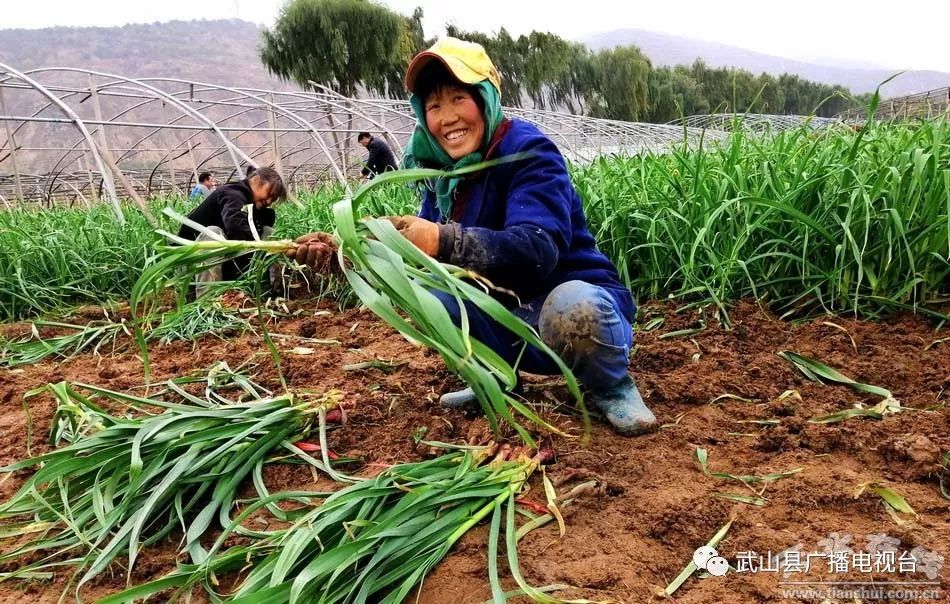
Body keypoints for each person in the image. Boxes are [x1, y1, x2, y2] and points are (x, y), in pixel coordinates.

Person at [288, 38, 656, 436]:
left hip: (566, 308)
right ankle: (495, 375)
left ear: (485, 98)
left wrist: (443, 241)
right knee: (430, 294)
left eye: (458, 98)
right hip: (505, 314)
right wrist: (349, 252)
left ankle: (609, 384)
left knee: (574, 305)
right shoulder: (442, 174)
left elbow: (538, 247)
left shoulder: (529, 152)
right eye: (433, 106)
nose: (446, 118)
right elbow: (416, 258)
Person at [178, 166, 287, 295]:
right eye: (270, 194)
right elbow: (235, 223)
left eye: (273, 199)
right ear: (256, 180)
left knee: (269, 233)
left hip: (223, 264)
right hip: (191, 267)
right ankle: (208, 303)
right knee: (213, 233)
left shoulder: (254, 205)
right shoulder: (232, 193)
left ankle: (264, 293)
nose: (269, 201)